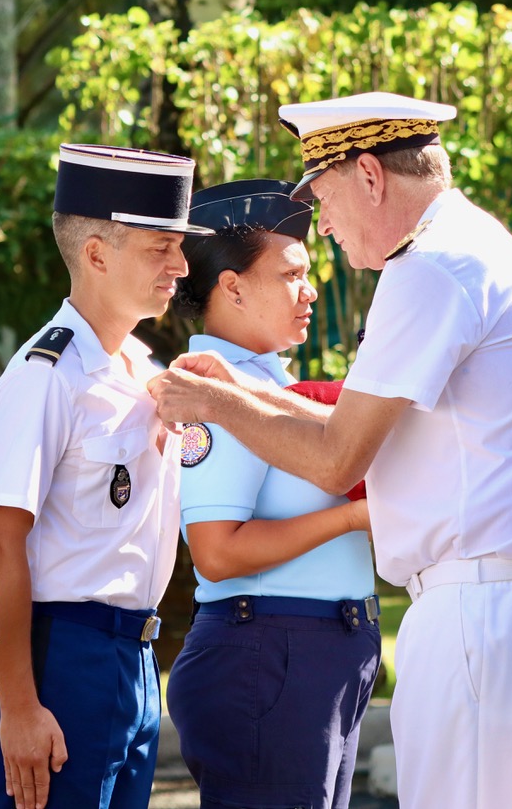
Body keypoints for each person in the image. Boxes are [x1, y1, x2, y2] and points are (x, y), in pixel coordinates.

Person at [148, 92, 512, 809]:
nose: (325, 225)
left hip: (489, 608)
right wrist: (238, 390)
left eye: (326, 197)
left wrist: (214, 400)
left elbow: (340, 458)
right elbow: (351, 420)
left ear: (370, 176)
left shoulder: (427, 268)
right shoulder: (475, 250)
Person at [0, 144, 213, 809]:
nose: (182, 265)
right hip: (60, 658)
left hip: (132, 657)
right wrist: (19, 706)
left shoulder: (142, 369)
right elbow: (0, 544)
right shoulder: (45, 376)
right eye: (161, 247)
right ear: (98, 254)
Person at [164, 178, 379, 809]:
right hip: (268, 654)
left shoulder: (267, 388)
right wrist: (350, 520)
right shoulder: (210, 392)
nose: (311, 290)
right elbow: (218, 554)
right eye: (291, 274)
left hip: (312, 652)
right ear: (230, 287)